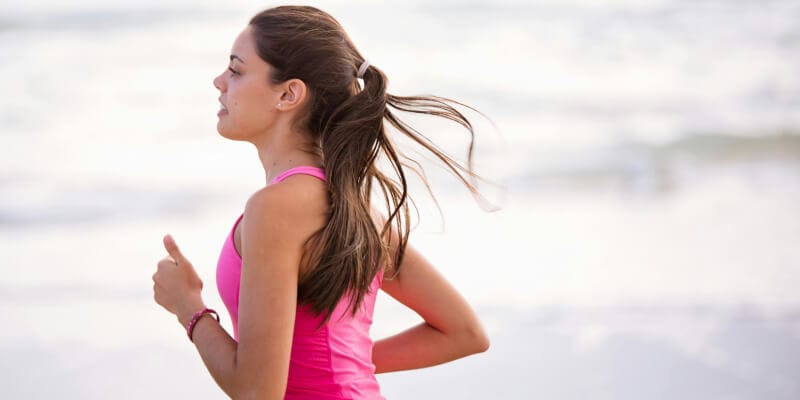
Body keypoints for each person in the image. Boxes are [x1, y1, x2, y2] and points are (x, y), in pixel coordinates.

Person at [152, 5, 489, 399]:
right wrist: (346, 366)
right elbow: (463, 333)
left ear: (289, 93)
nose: (218, 81)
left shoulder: (276, 208)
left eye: (237, 70)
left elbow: (258, 393)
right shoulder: (356, 209)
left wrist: (189, 308)